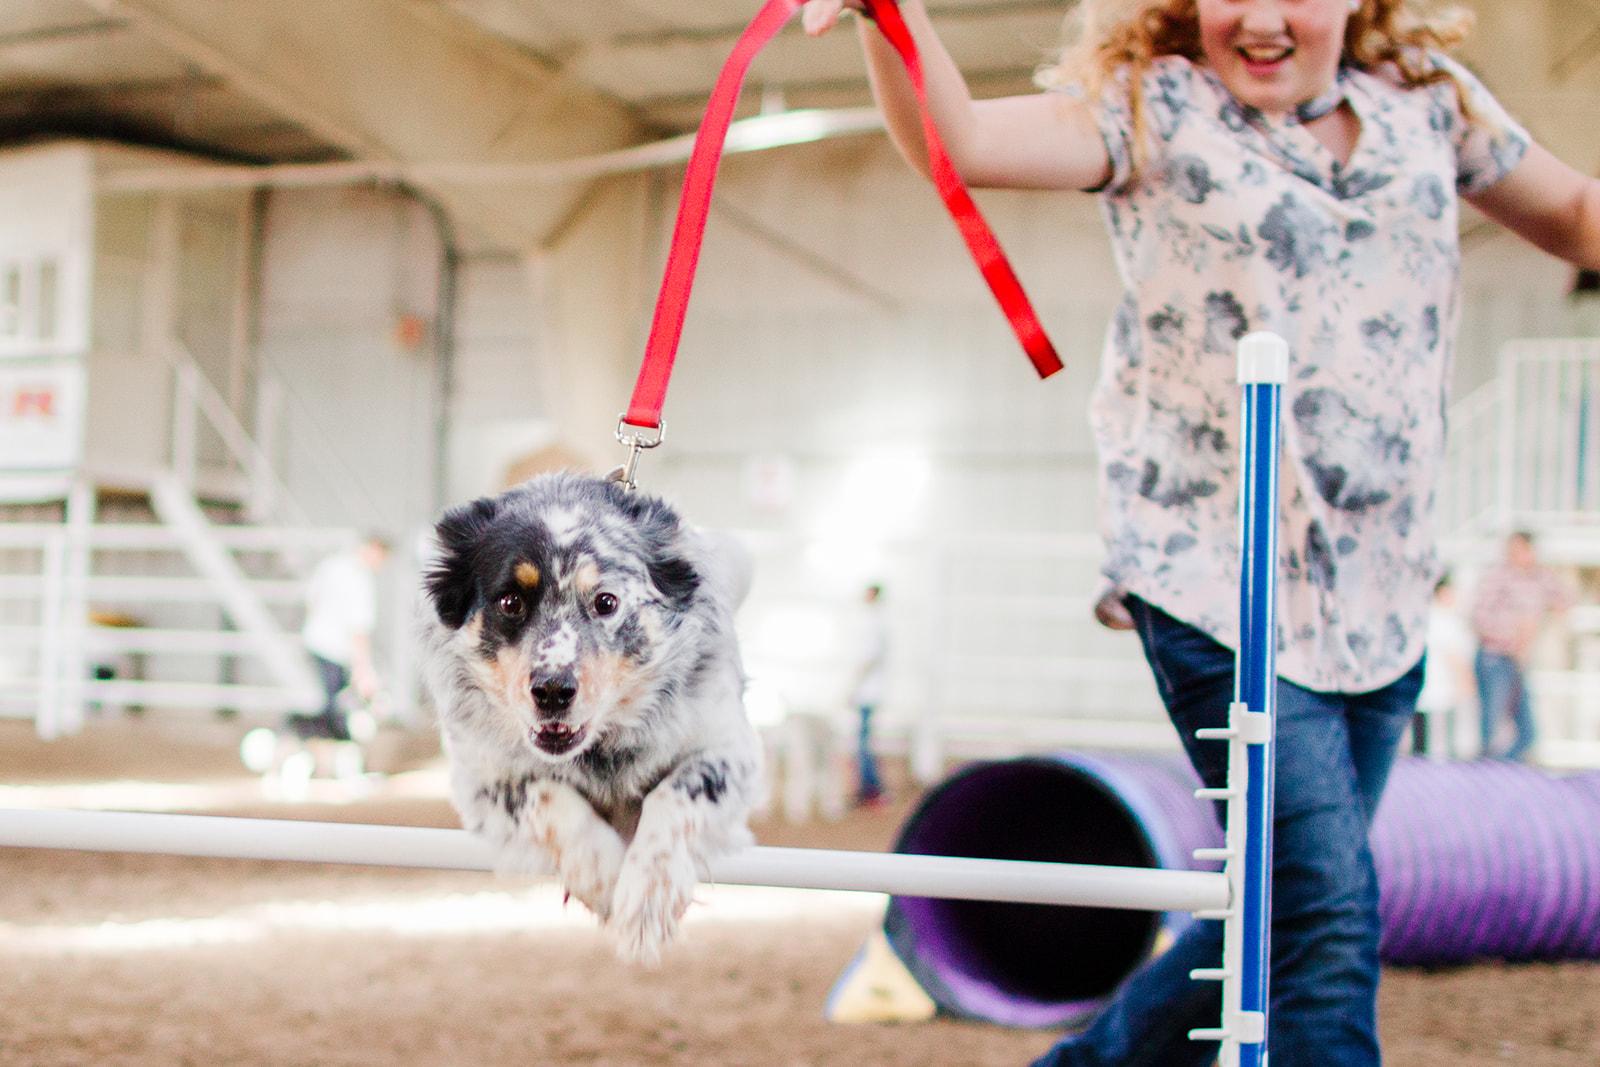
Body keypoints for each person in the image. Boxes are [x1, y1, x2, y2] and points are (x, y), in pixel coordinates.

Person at [801, 0, 1600, 1063]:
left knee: (1270, 912)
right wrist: (882, 15)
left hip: (1379, 584)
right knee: (1323, 911)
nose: (1262, 18)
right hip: (1212, 567)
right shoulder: (1155, 108)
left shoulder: (1431, 109)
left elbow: (1580, 213)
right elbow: (968, 142)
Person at [1470, 530, 1573, 761]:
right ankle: (1488, 776)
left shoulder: (1540, 578)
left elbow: (1565, 600)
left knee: (1527, 733)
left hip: (1519, 661)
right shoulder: (1497, 576)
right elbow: (1479, 618)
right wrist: (1514, 634)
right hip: (1496, 657)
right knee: (1492, 731)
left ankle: (1502, 771)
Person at [290, 533, 391, 744]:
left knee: (330, 702)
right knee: (338, 709)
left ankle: (311, 744)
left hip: (315, 641)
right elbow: (358, 629)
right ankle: (313, 743)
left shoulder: (331, 565)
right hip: (336, 649)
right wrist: (363, 669)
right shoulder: (361, 580)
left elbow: (311, 600)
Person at [1413, 572, 1474, 759]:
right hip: (1440, 694)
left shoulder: (1421, 616)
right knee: (1441, 749)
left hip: (1422, 692)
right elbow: (1454, 656)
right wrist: (1467, 683)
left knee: (1421, 748)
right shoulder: (1445, 620)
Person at [849, 583, 890, 806]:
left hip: (868, 692)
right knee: (864, 742)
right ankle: (869, 788)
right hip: (870, 692)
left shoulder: (873, 623)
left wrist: (853, 687)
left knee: (863, 744)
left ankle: (871, 789)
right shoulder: (876, 622)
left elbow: (869, 659)